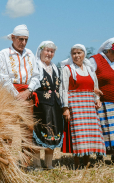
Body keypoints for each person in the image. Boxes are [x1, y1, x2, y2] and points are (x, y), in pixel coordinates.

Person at [61, 44, 105, 168]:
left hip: (89, 106)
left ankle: (87, 161)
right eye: (74, 53)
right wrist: (65, 108)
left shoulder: (90, 69)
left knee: (89, 133)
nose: (76, 56)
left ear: (84, 54)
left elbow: (94, 86)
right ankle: (76, 162)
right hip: (75, 105)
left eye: (79, 53)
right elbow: (64, 89)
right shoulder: (67, 69)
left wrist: (97, 99)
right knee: (77, 133)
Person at [33, 41, 63, 169]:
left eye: (52, 51)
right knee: (39, 132)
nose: (49, 54)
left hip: (54, 105)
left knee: (52, 131)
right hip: (40, 106)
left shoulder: (55, 67)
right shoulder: (36, 66)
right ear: (40, 51)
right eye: (47, 51)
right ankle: (36, 164)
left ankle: (49, 164)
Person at [90, 38, 114, 162]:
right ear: (109, 51)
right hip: (102, 103)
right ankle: (99, 156)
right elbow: (87, 76)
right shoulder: (95, 60)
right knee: (104, 130)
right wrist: (93, 89)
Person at [0, 24, 40, 101]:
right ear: (13, 38)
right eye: (21, 39)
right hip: (9, 96)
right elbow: (3, 78)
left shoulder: (30, 54)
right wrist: (18, 97)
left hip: (28, 95)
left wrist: (28, 92)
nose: (24, 42)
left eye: (26, 40)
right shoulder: (4, 54)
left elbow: (36, 76)